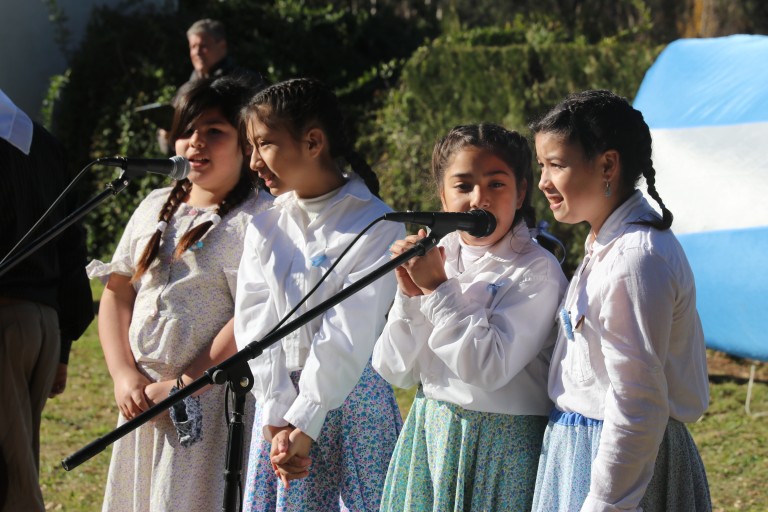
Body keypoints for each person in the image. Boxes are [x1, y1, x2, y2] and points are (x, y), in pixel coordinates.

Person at [86, 74, 272, 511]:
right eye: (186, 130)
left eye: (214, 131)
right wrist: (123, 374)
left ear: (246, 143)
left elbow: (253, 316)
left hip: (210, 402)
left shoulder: (261, 219)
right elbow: (117, 292)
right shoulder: (155, 203)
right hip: (141, 399)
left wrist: (184, 385)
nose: (195, 142)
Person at [530, 89, 711, 511]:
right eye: (541, 166)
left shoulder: (634, 258)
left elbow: (637, 402)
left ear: (608, 165)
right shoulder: (607, 243)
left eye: (556, 165)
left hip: (618, 470)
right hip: (584, 452)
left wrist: (605, 503)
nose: (543, 182)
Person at [372, 123, 568, 511]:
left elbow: (488, 368)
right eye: (463, 186)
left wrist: (437, 289)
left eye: (496, 184)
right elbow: (395, 370)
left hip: (502, 449)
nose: (479, 199)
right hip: (431, 435)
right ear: (442, 195)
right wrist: (411, 297)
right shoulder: (437, 254)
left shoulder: (537, 269)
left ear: (521, 192)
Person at [234, 77, 404, 512]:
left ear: (313, 142)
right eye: (250, 147)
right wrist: (276, 416)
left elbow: (349, 330)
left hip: (349, 400)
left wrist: (306, 420)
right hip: (279, 409)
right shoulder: (265, 226)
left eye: (264, 144)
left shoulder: (376, 223)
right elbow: (255, 326)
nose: (253, 161)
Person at [0, 89, 93, 511]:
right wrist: (63, 346)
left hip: (6, 321)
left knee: (10, 480)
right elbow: (72, 244)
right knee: (17, 461)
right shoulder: (44, 142)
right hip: (41, 325)